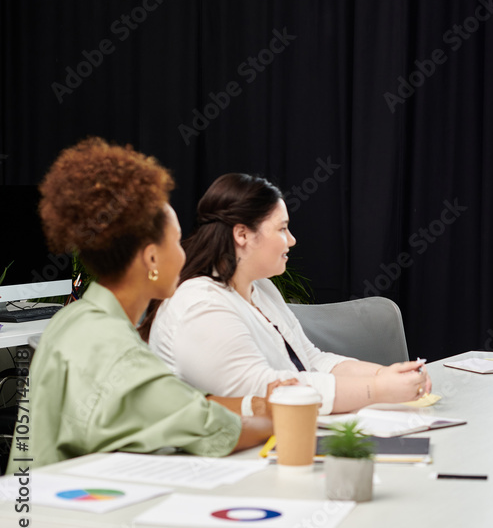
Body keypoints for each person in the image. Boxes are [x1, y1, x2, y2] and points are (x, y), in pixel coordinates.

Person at [7, 138, 275, 470]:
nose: (184, 252)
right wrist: (283, 415)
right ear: (151, 258)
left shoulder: (72, 320)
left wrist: (253, 404)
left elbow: (172, 405)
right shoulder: (116, 349)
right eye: (177, 241)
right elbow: (218, 430)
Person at [145, 173, 430, 414]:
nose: (291, 240)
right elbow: (267, 391)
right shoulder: (200, 304)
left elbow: (311, 360)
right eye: (282, 229)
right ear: (242, 234)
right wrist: (377, 390)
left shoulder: (261, 288)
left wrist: (386, 375)